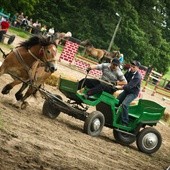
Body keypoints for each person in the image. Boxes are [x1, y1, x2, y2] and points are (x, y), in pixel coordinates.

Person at [116, 60, 142, 126]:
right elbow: (122, 79)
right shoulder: (128, 72)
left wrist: (117, 87)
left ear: (137, 68)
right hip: (127, 91)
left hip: (133, 93)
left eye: (134, 67)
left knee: (124, 104)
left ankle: (125, 122)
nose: (132, 68)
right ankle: (113, 115)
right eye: (131, 66)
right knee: (116, 101)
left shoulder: (137, 77)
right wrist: (115, 81)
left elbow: (128, 86)